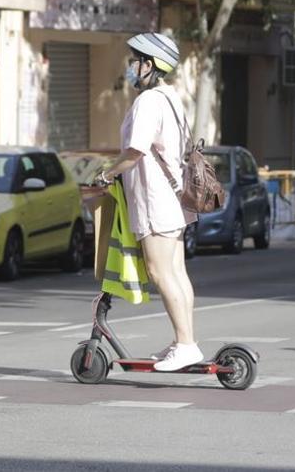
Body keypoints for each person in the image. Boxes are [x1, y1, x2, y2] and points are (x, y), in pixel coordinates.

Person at [96, 32, 201, 372]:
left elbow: (135, 150)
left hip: (156, 201)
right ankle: (186, 342)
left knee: (159, 271)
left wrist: (107, 174)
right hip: (175, 200)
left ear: (151, 65)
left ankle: (185, 344)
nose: (131, 67)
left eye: (136, 60)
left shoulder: (149, 102)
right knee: (177, 273)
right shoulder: (171, 98)